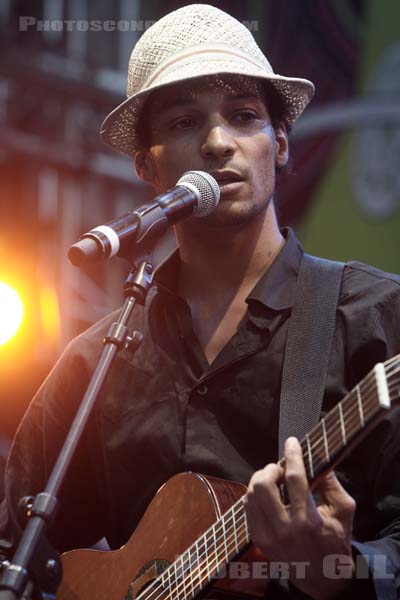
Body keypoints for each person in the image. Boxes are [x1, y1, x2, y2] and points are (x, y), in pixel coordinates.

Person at [1, 4, 400, 598]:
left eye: (243, 117)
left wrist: (344, 569)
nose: (218, 143)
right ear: (147, 167)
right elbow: (17, 555)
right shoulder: (97, 362)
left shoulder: (372, 316)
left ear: (281, 144)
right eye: (185, 123)